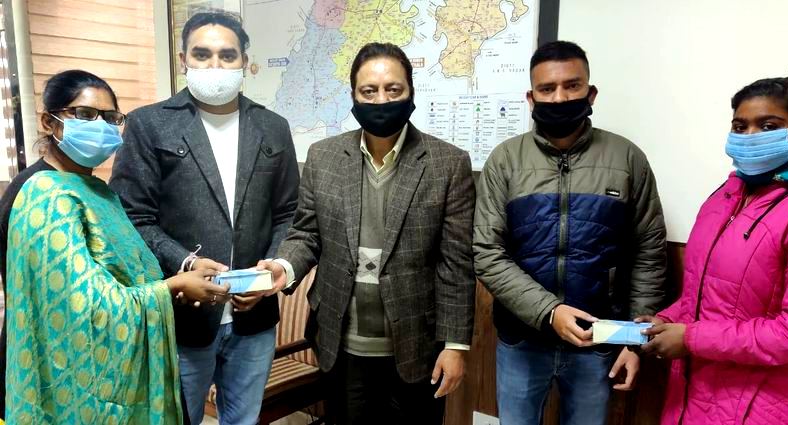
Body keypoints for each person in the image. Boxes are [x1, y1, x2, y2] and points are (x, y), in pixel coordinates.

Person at [258, 42, 476, 425]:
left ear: (411, 92)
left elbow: (455, 264)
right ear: (354, 97)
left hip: (417, 344)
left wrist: (456, 345)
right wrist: (284, 267)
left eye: (393, 89)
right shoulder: (324, 157)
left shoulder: (448, 164)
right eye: (369, 91)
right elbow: (306, 233)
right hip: (340, 343)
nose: (381, 100)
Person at [3, 69, 227, 423]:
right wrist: (170, 288)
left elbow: (128, 273)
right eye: (85, 114)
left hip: (123, 372)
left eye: (110, 118)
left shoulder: (99, 191)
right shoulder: (41, 193)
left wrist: (177, 287)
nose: (101, 126)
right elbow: (81, 307)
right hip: (78, 386)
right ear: (49, 122)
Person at [109, 11, 300, 425]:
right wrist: (185, 263)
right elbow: (132, 216)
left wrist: (270, 270)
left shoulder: (272, 127)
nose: (215, 65)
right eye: (202, 54)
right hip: (183, 318)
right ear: (183, 60)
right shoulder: (149, 124)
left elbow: (289, 212)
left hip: (254, 319)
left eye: (227, 55)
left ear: (245, 61)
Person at [473, 40, 667, 425]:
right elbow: (488, 253)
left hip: (599, 340)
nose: (560, 98)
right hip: (522, 340)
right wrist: (550, 312)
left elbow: (648, 253)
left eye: (572, 86)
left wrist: (635, 341)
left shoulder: (627, 159)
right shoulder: (505, 160)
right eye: (547, 89)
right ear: (531, 98)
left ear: (590, 93)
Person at [640, 67, 788, 424]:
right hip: (692, 397)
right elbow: (707, 294)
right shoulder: (724, 196)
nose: (750, 136)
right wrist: (668, 319)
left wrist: (691, 339)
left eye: (768, 126)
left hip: (761, 406)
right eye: (740, 127)